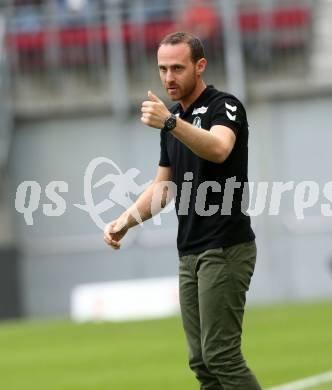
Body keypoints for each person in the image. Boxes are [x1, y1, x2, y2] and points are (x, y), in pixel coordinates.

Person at [104, 31, 262, 390]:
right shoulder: (172, 119)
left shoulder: (225, 105)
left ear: (199, 66)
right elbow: (163, 188)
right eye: (162, 69)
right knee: (202, 363)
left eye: (177, 67)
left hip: (224, 247)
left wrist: (172, 124)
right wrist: (125, 221)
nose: (168, 77)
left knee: (222, 355)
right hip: (189, 250)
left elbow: (220, 149)